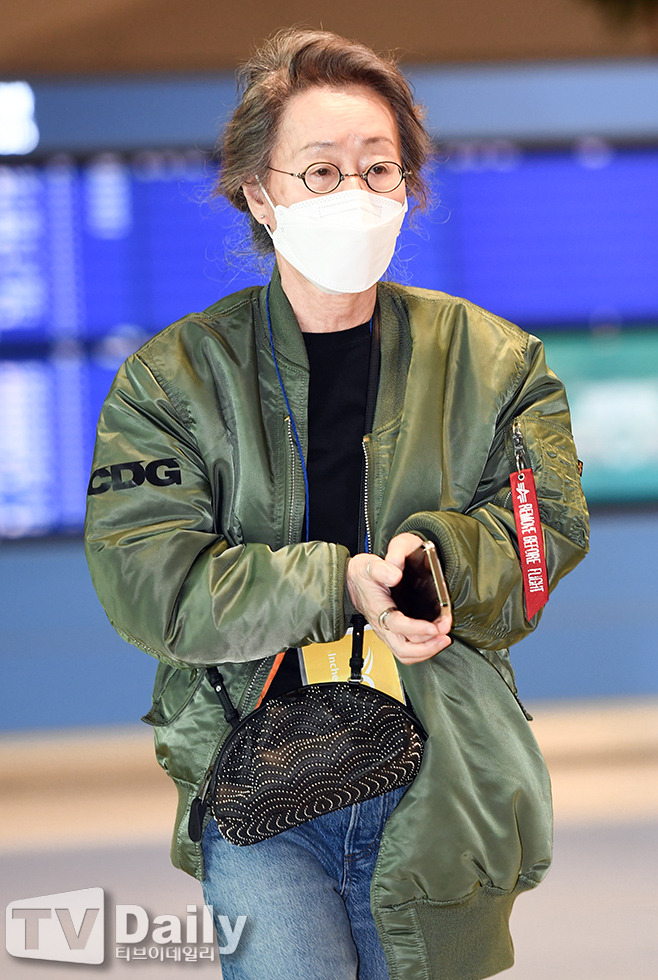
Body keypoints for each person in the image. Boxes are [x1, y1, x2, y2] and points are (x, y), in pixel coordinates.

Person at [84, 28, 589, 980]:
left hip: (446, 778)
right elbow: (146, 582)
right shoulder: (173, 380)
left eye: (378, 166)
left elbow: (544, 535)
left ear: (408, 188)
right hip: (262, 780)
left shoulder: (496, 363)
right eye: (320, 171)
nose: (353, 193)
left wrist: (430, 566)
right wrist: (339, 583)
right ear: (260, 194)